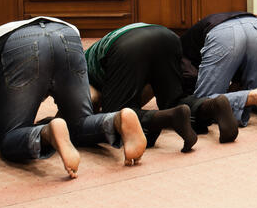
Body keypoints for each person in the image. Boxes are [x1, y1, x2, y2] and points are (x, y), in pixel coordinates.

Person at [0, 17, 147, 179]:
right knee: (79, 122)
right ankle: (117, 120)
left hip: (19, 45)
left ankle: (47, 132)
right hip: (67, 34)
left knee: (10, 138)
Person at [86, 22, 237, 147]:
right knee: (174, 100)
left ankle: (170, 117)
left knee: (116, 116)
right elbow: (147, 88)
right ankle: (211, 106)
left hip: (128, 46)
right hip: (166, 36)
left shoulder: (81, 69)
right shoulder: (93, 55)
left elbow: (92, 99)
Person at [180, 12, 257, 131]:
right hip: (255, 26)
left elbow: (188, 77)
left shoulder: (178, 51)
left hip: (223, 34)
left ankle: (256, 96)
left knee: (203, 103)